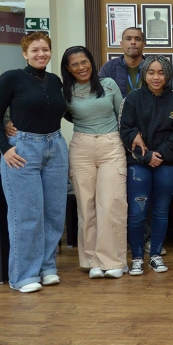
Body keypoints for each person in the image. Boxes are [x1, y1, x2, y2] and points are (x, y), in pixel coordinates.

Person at [0, 32, 68, 292]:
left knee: (54, 214)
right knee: (27, 215)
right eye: (34, 50)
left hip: (55, 147)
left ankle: (47, 267)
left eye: (45, 49)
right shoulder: (11, 78)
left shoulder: (55, 81)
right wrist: (5, 148)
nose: (40, 54)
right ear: (25, 53)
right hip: (23, 150)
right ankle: (23, 276)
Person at [60, 46, 127, 279]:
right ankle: (93, 261)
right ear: (68, 68)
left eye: (84, 61)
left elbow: (122, 114)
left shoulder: (108, 84)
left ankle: (114, 260)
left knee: (112, 204)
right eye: (75, 64)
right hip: (81, 147)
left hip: (111, 145)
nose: (81, 67)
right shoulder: (65, 91)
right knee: (86, 207)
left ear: (91, 61)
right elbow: (61, 114)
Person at [119, 55, 173, 275]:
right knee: (137, 213)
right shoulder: (133, 98)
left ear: (167, 75)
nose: (156, 77)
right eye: (151, 72)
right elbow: (125, 129)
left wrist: (160, 155)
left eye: (160, 73)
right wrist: (146, 156)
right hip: (138, 164)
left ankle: (156, 256)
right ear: (144, 74)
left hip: (166, 164)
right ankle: (137, 258)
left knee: (161, 211)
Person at [100, 26, 145, 96]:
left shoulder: (152, 66)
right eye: (128, 39)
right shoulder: (108, 68)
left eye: (137, 39)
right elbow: (99, 94)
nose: (133, 42)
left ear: (143, 45)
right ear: (122, 44)